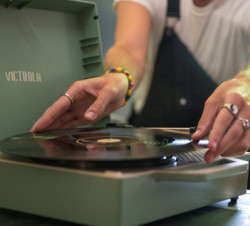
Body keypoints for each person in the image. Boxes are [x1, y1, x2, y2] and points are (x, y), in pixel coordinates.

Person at [31, 0, 250, 164]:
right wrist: (119, 77)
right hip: (148, 154)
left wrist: (245, 84)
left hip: (230, 152)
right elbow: (129, 48)